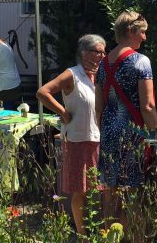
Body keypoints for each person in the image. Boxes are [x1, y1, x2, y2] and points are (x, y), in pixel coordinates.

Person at [36, 34, 105, 236]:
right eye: (97, 52)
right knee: (80, 189)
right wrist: (63, 112)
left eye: (104, 52)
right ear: (84, 53)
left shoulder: (101, 75)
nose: (102, 56)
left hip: (99, 138)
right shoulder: (72, 74)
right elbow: (43, 92)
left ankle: (100, 230)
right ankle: (82, 233)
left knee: (100, 188)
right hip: (78, 139)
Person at [95, 11, 157, 221]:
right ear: (131, 31)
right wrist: (155, 137)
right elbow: (148, 106)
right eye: (142, 32)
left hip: (108, 131)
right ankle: (132, 234)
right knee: (133, 194)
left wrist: (104, 131)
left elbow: (98, 107)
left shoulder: (103, 64)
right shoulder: (141, 61)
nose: (144, 37)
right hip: (133, 134)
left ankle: (109, 232)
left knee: (110, 191)